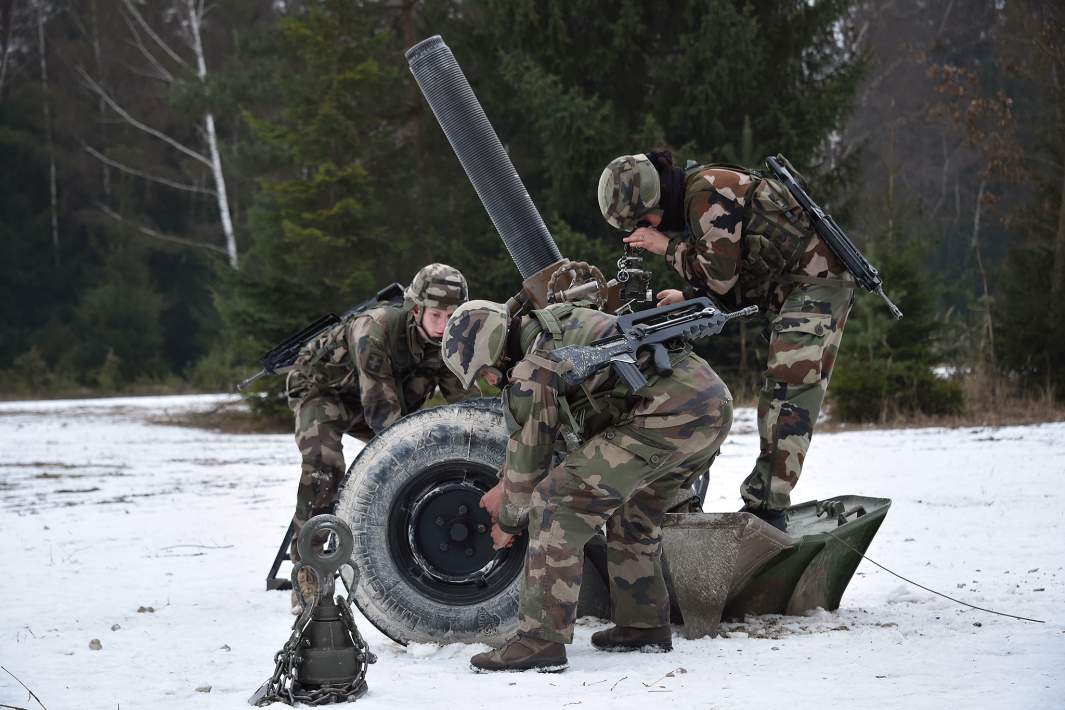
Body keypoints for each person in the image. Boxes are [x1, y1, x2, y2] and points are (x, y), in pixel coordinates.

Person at [441, 298, 732, 672]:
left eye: (483, 373)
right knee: (634, 513)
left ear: (492, 351)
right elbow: (551, 440)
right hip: (711, 407)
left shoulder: (531, 370)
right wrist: (505, 481)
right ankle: (642, 625)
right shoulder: (556, 327)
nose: (487, 381)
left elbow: (530, 464)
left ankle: (538, 641)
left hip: (666, 415)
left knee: (555, 504)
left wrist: (508, 522)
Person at [597, 151, 854, 531]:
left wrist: (663, 247)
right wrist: (686, 296)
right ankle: (766, 504)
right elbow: (729, 264)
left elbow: (719, 278)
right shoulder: (698, 193)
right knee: (785, 394)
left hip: (815, 288)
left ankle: (767, 512)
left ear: (653, 204)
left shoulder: (707, 192)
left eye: (642, 223)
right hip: (801, 288)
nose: (647, 229)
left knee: (788, 396)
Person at [285, 263, 479, 610]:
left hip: (375, 397)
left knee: (426, 451)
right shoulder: (373, 329)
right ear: (416, 308)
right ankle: (308, 572)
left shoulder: (444, 341)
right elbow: (381, 414)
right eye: (437, 315)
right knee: (324, 466)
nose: (445, 324)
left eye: (453, 315)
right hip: (322, 392)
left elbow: (467, 403)